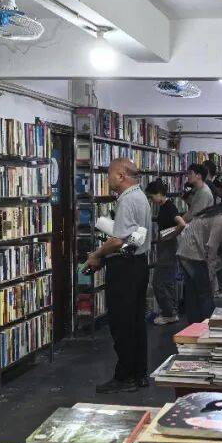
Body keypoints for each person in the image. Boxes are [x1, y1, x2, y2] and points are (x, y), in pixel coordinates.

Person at [83, 157, 152, 393]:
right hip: (139, 264)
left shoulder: (127, 200)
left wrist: (96, 254)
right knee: (136, 322)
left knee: (122, 323)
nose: (108, 179)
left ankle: (125, 377)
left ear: (121, 175)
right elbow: (135, 236)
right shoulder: (140, 196)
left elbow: (117, 240)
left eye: (110, 174)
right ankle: (139, 374)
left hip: (125, 268)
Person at [177, 191, 222, 323]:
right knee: (205, 293)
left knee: (192, 294)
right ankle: (209, 324)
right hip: (195, 255)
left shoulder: (214, 213)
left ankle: (194, 326)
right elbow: (212, 247)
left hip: (184, 252)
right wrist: (210, 272)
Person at [146, 179, 185, 326]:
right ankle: (171, 312)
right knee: (167, 281)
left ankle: (169, 313)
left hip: (168, 248)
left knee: (158, 282)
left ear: (159, 193)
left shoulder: (169, 207)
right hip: (166, 247)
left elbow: (182, 223)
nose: (151, 200)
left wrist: (172, 234)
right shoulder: (165, 206)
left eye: (152, 197)